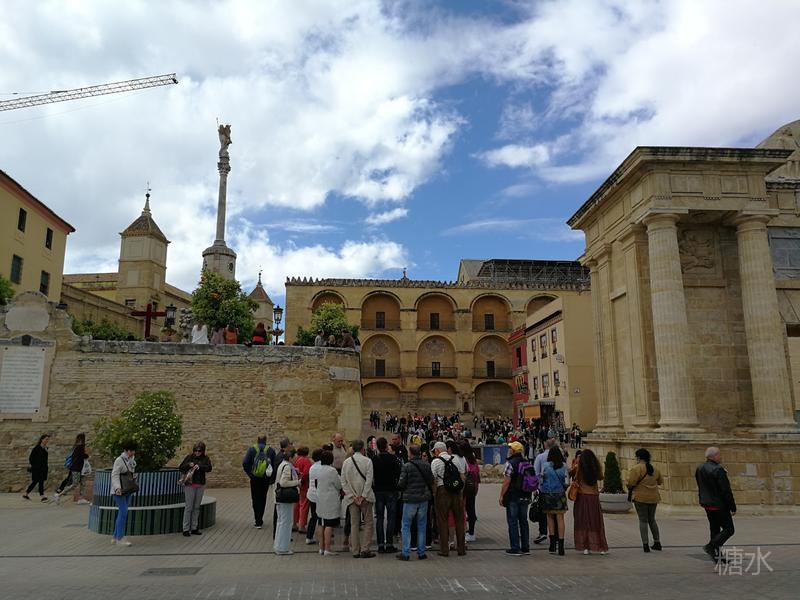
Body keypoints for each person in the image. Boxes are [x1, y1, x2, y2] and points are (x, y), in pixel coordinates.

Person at [696, 447, 736, 563]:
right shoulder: (718, 470)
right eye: (719, 455)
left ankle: (717, 556)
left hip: (707, 503)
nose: (721, 457)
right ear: (713, 456)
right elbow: (725, 490)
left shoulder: (700, 468)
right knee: (729, 529)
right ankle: (711, 546)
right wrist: (732, 506)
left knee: (715, 529)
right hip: (719, 504)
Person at [396, 444, 433, 561]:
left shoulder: (407, 466)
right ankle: (421, 552)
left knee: (406, 525)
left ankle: (406, 552)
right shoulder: (426, 465)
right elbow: (431, 480)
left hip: (410, 499)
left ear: (410, 453)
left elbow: (401, 484)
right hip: (423, 498)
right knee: (422, 525)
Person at [340, 439, 376, 558]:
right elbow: (369, 480)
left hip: (352, 498)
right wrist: (363, 495)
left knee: (354, 524)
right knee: (368, 523)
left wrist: (352, 495)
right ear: (362, 449)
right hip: (365, 497)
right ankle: (365, 549)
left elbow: (343, 481)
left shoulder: (346, 463)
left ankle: (355, 550)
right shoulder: (368, 461)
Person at [431, 441, 466, 557]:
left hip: (442, 491)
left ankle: (444, 550)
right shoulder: (455, 459)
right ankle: (461, 549)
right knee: (459, 520)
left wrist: (435, 493)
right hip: (456, 492)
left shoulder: (435, 462)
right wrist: (460, 491)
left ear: (437, 450)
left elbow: (434, 480)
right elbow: (462, 476)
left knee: (442, 520)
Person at [571, 448, 608, 555]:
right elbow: (601, 477)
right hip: (593, 497)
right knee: (595, 521)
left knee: (583, 521)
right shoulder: (596, 467)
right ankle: (600, 546)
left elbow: (575, 478)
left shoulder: (580, 468)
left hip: (582, 497)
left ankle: (586, 546)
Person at [627, 448, 663, 553]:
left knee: (643, 520)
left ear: (638, 457)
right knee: (652, 520)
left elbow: (630, 483)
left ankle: (645, 544)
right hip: (654, 498)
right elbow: (660, 481)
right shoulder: (655, 469)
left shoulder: (636, 469)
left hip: (640, 497)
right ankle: (657, 542)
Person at [499, 441, 531, 556]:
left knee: (513, 522)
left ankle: (515, 547)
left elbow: (506, 482)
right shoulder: (526, 462)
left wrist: (501, 495)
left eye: (510, 448)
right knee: (523, 521)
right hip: (525, 495)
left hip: (513, 496)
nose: (508, 450)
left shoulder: (510, 463)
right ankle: (525, 547)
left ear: (513, 451)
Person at [372, 437, 401, 554]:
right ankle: (389, 543)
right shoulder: (393, 458)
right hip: (391, 490)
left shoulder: (374, 459)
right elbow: (398, 474)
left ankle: (380, 544)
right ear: (385, 446)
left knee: (379, 518)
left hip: (378, 490)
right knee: (391, 517)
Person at [178, 441, 212, 537]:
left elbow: (209, 468)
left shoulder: (205, 458)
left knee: (196, 507)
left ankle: (194, 527)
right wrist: (189, 465)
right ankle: (185, 529)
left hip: (200, 484)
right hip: (189, 484)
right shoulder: (189, 457)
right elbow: (181, 467)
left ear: (203, 451)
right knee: (189, 507)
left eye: (199, 451)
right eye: (195, 450)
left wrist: (200, 466)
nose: (197, 452)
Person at [242, 436, 276, 529]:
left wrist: (250, 474)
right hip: (265, 478)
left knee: (255, 498)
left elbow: (245, 463)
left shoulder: (251, 449)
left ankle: (257, 520)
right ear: (265, 441)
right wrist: (271, 478)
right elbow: (274, 465)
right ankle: (260, 517)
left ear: (257, 440)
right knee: (263, 498)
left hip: (255, 478)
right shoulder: (271, 450)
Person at [541, 446, 568, 556]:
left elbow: (541, 480)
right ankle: (561, 547)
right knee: (560, 518)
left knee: (550, 517)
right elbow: (567, 482)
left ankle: (552, 545)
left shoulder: (545, 466)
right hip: (560, 494)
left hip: (548, 494)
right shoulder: (564, 466)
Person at [314, 450, 342, 556]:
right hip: (330, 500)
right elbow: (338, 484)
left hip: (320, 498)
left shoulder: (318, 469)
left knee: (321, 523)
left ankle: (321, 548)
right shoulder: (332, 471)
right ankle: (327, 548)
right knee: (329, 524)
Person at [110, 440, 138, 546]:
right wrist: (117, 488)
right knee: (124, 512)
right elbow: (115, 474)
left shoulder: (131, 460)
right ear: (127, 450)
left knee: (122, 512)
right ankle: (120, 538)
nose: (133, 452)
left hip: (127, 489)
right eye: (131, 450)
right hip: (119, 491)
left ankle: (115, 536)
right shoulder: (119, 460)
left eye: (134, 450)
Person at [274, 449, 300, 555]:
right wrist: (297, 482)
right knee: (286, 522)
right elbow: (283, 482)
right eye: (295, 457)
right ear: (290, 458)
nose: (296, 459)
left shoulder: (283, 464)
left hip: (280, 498)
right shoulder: (288, 467)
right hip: (285, 498)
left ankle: (278, 546)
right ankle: (283, 548)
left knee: (281, 522)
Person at [54, 433, 89, 505]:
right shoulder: (80, 447)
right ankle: (59, 495)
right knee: (74, 484)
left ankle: (81, 498)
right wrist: (86, 454)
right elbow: (83, 456)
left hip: (80, 468)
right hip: (77, 468)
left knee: (83, 483)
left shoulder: (76, 447)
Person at [532, 438, 555, 544]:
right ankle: (556, 534)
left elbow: (536, 473)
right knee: (555, 512)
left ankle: (543, 532)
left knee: (543, 512)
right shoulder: (558, 457)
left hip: (543, 488)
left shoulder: (540, 457)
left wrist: (535, 488)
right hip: (556, 489)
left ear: (545, 445)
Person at [461, 439, 480, 543]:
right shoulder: (473, 460)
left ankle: (468, 532)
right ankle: (471, 532)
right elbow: (477, 475)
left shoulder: (463, 460)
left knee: (464, 510)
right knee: (471, 510)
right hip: (472, 488)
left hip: (465, 488)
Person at [23, 434, 50, 502]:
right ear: (42, 439)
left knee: (35, 482)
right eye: (46, 439)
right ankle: (42, 496)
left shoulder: (45, 448)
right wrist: (35, 466)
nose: (47, 440)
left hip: (43, 469)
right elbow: (31, 458)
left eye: (48, 439)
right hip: (37, 469)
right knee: (40, 482)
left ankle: (26, 494)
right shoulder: (36, 448)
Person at [305, 448, 323, 546]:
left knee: (313, 517)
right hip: (320, 495)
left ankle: (309, 536)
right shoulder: (322, 467)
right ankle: (321, 539)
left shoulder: (312, 467)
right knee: (321, 518)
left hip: (311, 494)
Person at [294, 446, 313, 533]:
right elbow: (306, 473)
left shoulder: (296, 460)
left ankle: (295, 523)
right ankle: (302, 525)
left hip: (296, 484)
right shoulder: (306, 461)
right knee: (304, 505)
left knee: (296, 505)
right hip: (304, 486)